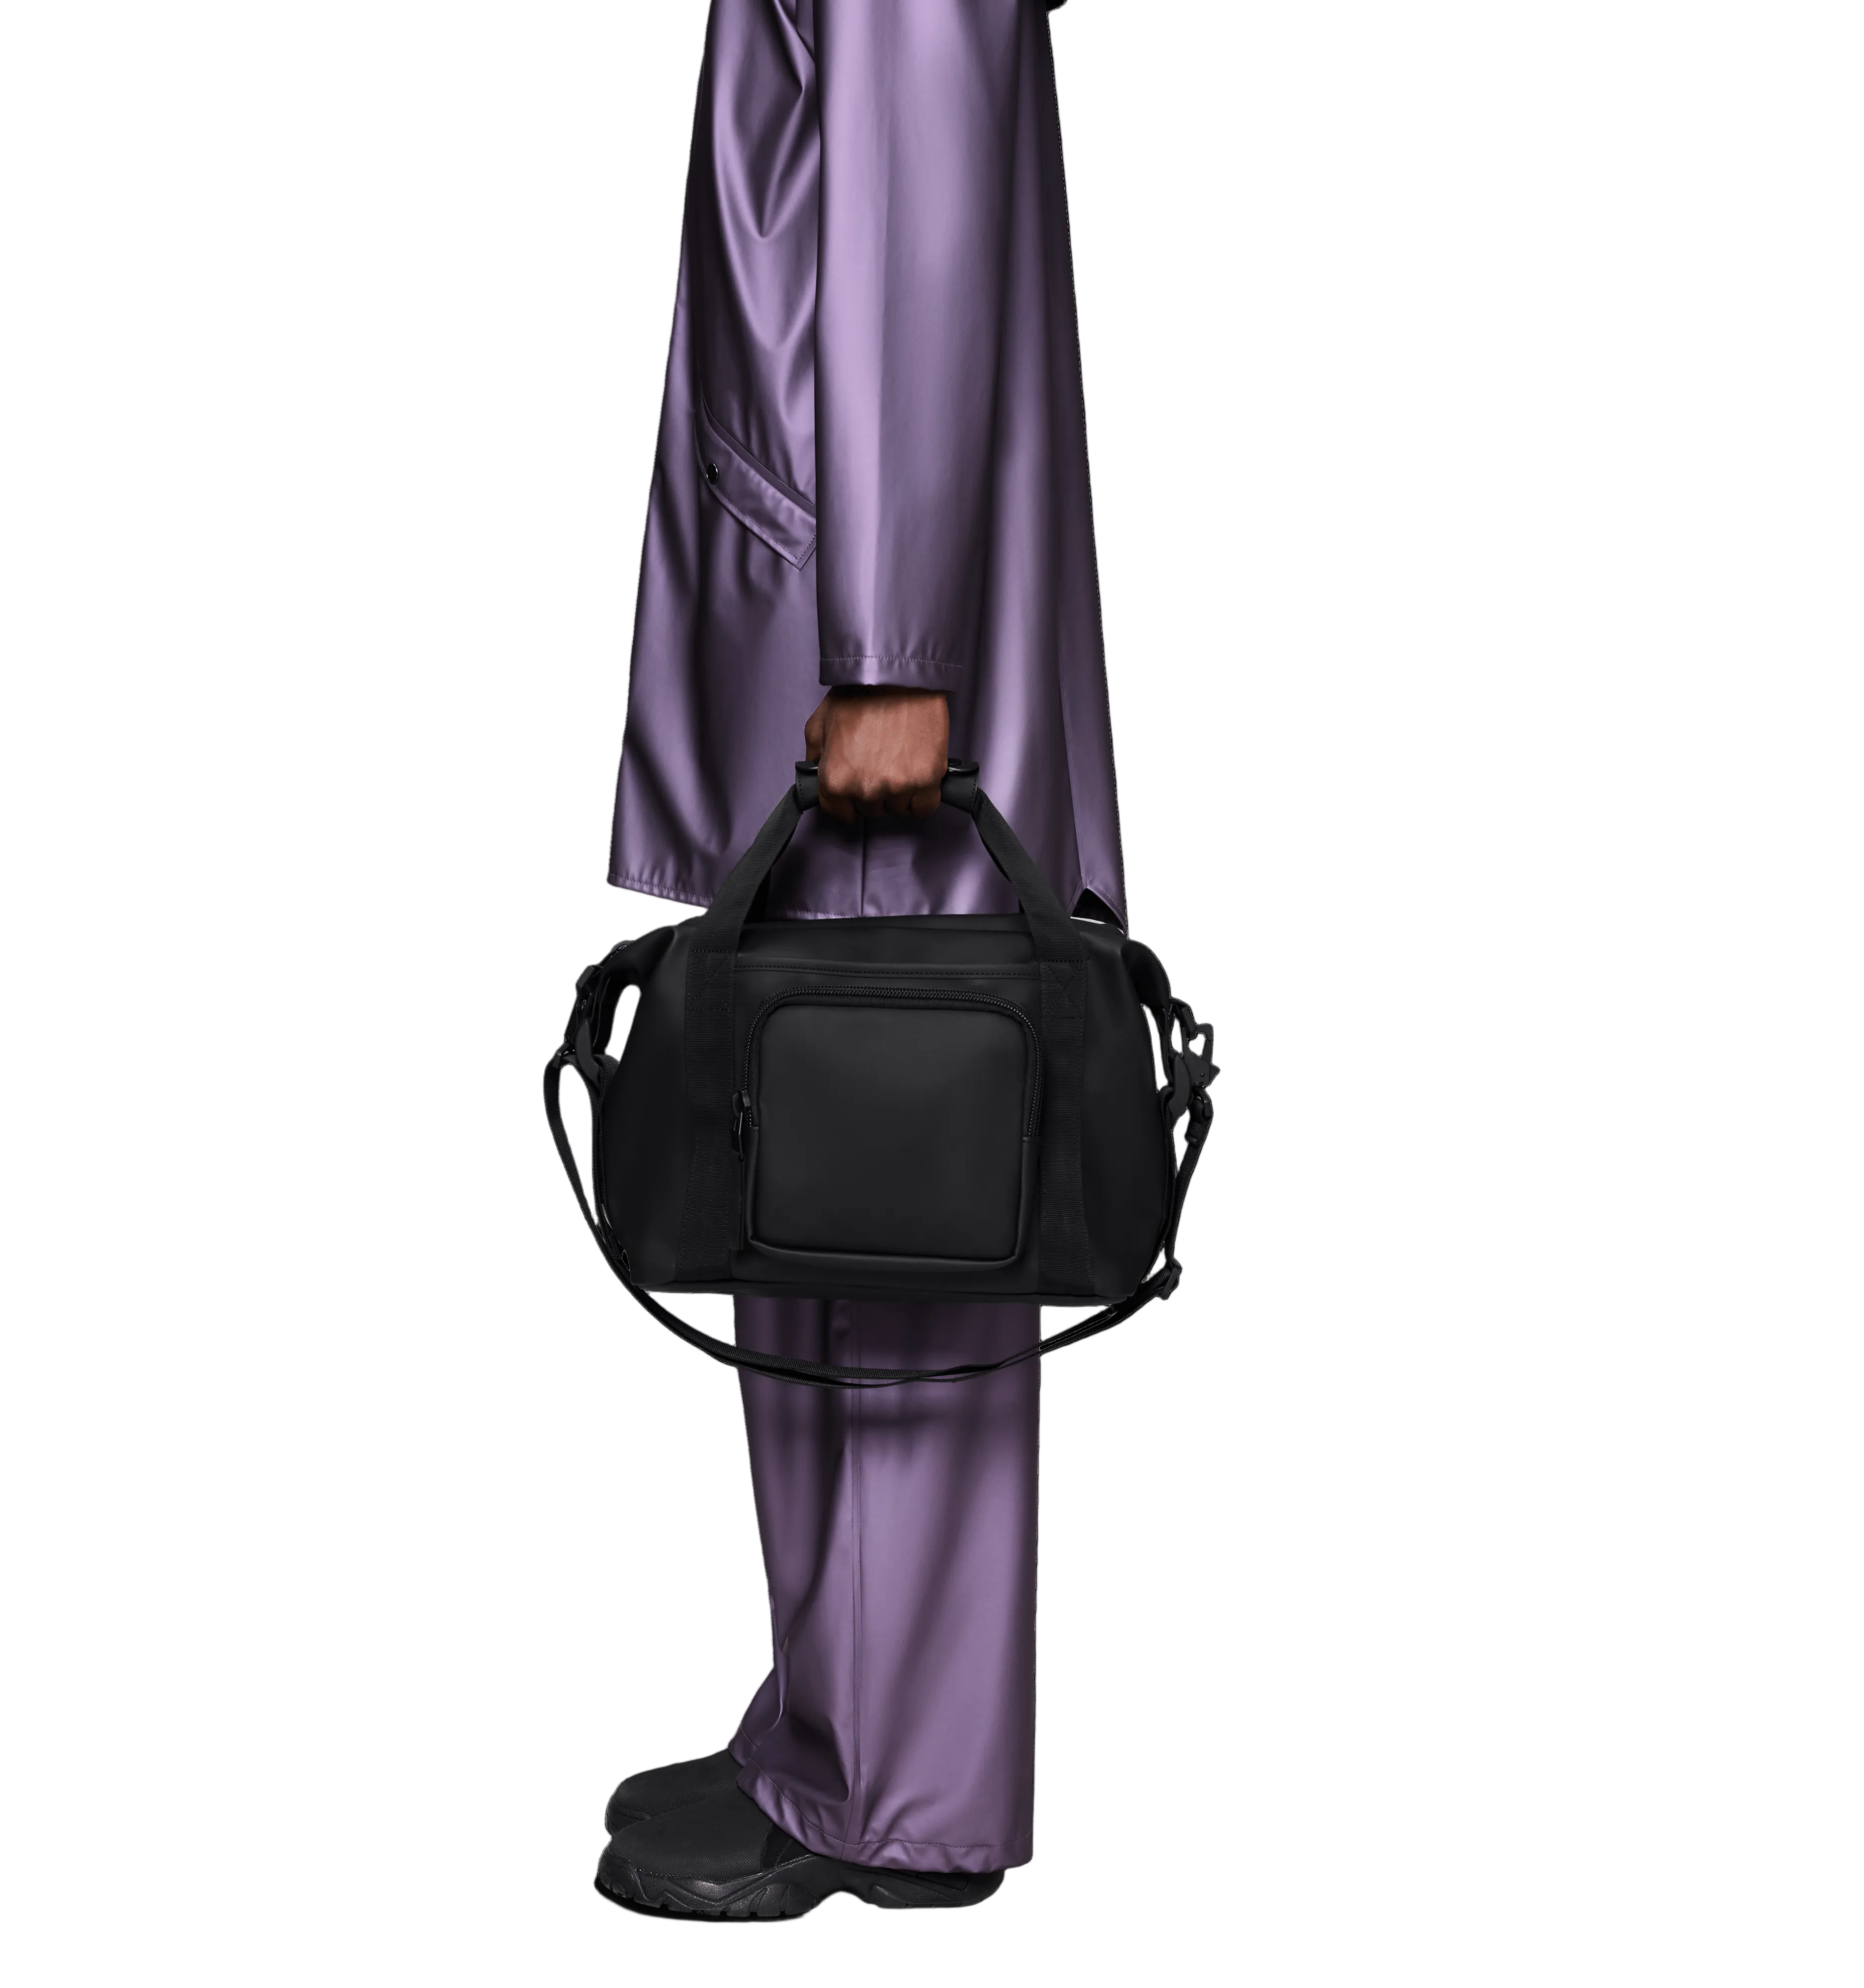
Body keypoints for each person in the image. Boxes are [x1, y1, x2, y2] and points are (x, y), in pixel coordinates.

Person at [596, 0, 1127, 1918]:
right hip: (841, 584)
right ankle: (845, 1718)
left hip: (872, 624)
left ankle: (898, 1785)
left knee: (898, 1178)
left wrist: (891, 645)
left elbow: (915, 195)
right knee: (828, 1198)